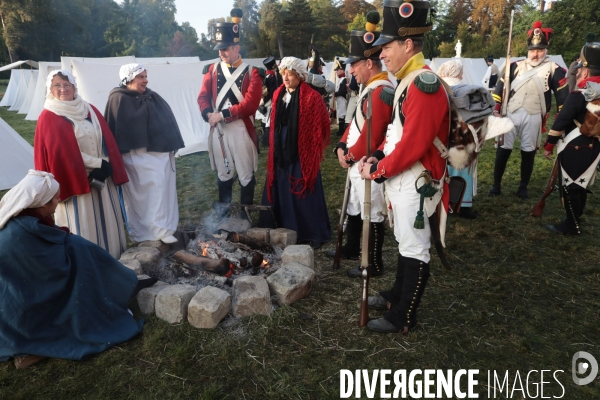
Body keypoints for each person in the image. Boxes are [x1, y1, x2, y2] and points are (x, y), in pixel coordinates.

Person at [358, 0, 450, 334]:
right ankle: (398, 294)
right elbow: (396, 135)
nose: (381, 54)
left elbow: (413, 145)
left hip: (417, 179)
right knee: (404, 241)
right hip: (404, 177)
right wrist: (379, 156)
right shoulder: (408, 80)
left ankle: (404, 316)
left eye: (387, 47)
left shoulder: (424, 84)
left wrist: (379, 170)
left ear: (408, 44)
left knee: (415, 247)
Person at [0, 170, 150, 364]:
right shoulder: (17, 235)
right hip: (21, 299)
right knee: (83, 258)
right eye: (55, 199)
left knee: (81, 250)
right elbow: (48, 270)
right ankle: (120, 291)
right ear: (41, 204)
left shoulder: (21, 218)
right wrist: (75, 251)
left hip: (18, 289)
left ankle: (122, 285)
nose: (59, 201)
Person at [325, 14, 394, 278]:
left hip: (368, 163)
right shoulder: (368, 88)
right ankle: (354, 249)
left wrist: (350, 155)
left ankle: (373, 263)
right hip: (356, 161)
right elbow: (354, 125)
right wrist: (341, 147)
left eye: (354, 65)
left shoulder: (380, 90)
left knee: (372, 211)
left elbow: (371, 135)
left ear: (368, 62)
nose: (350, 70)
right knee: (355, 205)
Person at [34, 70, 128, 259]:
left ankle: (115, 259)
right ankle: (87, 262)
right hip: (73, 178)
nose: (63, 89)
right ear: (50, 89)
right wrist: (97, 163)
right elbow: (61, 152)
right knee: (83, 224)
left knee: (108, 222)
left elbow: (105, 138)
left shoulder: (89, 108)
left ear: (74, 87)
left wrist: (106, 163)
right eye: (57, 85)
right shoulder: (49, 115)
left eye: (67, 85)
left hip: (102, 177)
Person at [105, 63, 185, 244]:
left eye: (145, 76)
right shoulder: (118, 99)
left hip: (158, 153)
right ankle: (148, 231)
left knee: (164, 188)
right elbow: (116, 131)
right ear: (129, 79)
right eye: (141, 77)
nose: (145, 80)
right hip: (135, 157)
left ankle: (165, 227)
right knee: (151, 189)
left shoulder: (151, 96)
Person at [490, 21, 568, 199]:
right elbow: (499, 88)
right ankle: (496, 185)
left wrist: (560, 121)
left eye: (540, 50)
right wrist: (496, 109)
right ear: (528, 50)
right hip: (510, 112)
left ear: (546, 50)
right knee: (503, 149)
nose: (536, 54)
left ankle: (523, 187)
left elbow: (563, 99)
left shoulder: (555, 69)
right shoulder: (514, 66)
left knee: (528, 151)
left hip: (534, 115)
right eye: (533, 50)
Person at [259, 57, 332, 249]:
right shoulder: (277, 94)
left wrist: (311, 144)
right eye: (283, 74)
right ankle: (282, 226)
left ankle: (310, 231)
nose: (286, 78)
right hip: (280, 150)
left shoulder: (311, 97)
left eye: (290, 74)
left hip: (302, 150)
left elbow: (323, 123)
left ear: (299, 75)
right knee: (280, 184)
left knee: (304, 187)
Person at [198, 8, 262, 211]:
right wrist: (208, 113)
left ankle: (246, 216)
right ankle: (223, 215)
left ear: (236, 47)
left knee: (245, 173)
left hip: (241, 128)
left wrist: (222, 114)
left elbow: (251, 104)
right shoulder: (212, 70)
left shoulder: (253, 73)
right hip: (218, 128)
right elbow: (203, 97)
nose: (221, 53)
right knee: (223, 173)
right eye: (219, 49)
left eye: (225, 48)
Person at [543, 34, 600, 235]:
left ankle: (571, 225)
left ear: (584, 71)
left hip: (575, 146)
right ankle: (576, 218)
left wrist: (549, 145)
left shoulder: (579, 94)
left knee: (571, 186)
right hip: (595, 148)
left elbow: (560, 122)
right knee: (581, 184)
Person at [437, 59, 478, 219]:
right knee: (462, 170)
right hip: (462, 137)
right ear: (456, 72)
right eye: (460, 72)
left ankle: (445, 202)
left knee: (444, 170)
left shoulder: (438, 88)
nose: (462, 75)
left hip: (442, 138)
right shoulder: (464, 90)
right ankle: (463, 205)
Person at [261, 56, 283, 147]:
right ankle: (266, 140)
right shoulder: (273, 78)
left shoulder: (266, 76)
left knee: (266, 119)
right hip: (270, 101)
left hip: (265, 101)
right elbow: (274, 92)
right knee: (269, 121)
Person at [333, 59, 348, 136]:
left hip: (342, 99)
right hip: (339, 99)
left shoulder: (344, 79)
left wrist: (335, 93)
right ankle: (340, 130)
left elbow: (343, 91)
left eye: (338, 70)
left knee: (342, 114)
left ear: (342, 70)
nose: (336, 71)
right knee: (340, 114)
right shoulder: (340, 79)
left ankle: (342, 131)